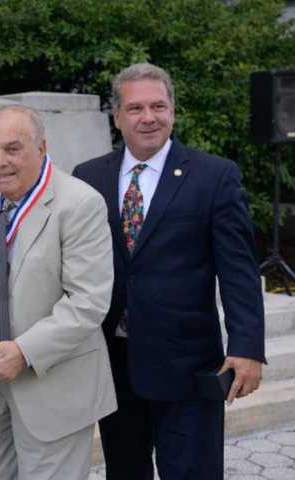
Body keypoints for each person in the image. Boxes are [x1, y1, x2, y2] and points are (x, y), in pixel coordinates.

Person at [72, 62, 265, 480]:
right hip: (114, 364)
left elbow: (239, 270)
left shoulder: (215, 176)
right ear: (117, 116)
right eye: (136, 108)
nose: (149, 117)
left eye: (158, 106)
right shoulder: (87, 178)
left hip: (189, 367)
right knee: (124, 472)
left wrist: (247, 347)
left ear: (173, 111)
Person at [0, 105, 116, 479]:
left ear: (41, 147)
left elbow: (88, 301)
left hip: (53, 385)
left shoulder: (80, 203)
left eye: (12, 149)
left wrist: (25, 351)